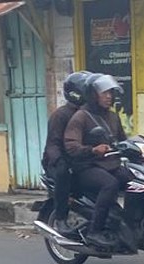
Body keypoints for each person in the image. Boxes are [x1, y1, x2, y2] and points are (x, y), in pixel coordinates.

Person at [64, 74, 128, 250]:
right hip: (86, 167)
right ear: (93, 94)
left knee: (134, 178)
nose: (109, 96)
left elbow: (124, 140)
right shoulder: (81, 117)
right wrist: (92, 150)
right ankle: (94, 231)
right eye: (104, 92)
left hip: (109, 164)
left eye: (111, 93)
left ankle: (129, 222)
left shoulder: (113, 117)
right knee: (110, 184)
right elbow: (71, 146)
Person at [43, 70, 94, 234]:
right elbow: (53, 144)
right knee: (63, 173)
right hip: (60, 161)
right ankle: (61, 217)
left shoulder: (91, 114)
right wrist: (60, 161)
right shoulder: (61, 115)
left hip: (82, 158)